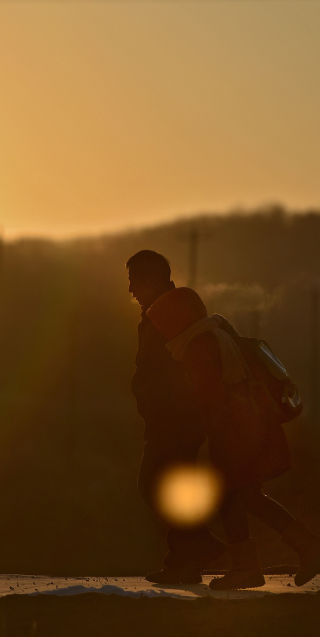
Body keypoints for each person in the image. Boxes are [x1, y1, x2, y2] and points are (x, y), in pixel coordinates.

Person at [145, 283, 320, 590]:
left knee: (230, 497)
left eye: (163, 323)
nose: (161, 331)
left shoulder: (199, 345)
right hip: (248, 428)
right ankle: (303, 547)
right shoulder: (215, 333)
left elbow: (208, 396)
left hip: (234, 433)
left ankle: (249, 567)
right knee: (247, 496)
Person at [126, 250, 224, 584]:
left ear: (151, 279)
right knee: (170, 487)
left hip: (174, 420)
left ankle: (200, 547)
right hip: (174, 419)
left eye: (134, 281)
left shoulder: (167, 315)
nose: (130, 290)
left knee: (154, 484)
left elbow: (168, 370)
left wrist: (161, 405)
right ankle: (186, 562)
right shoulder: (166, 311)